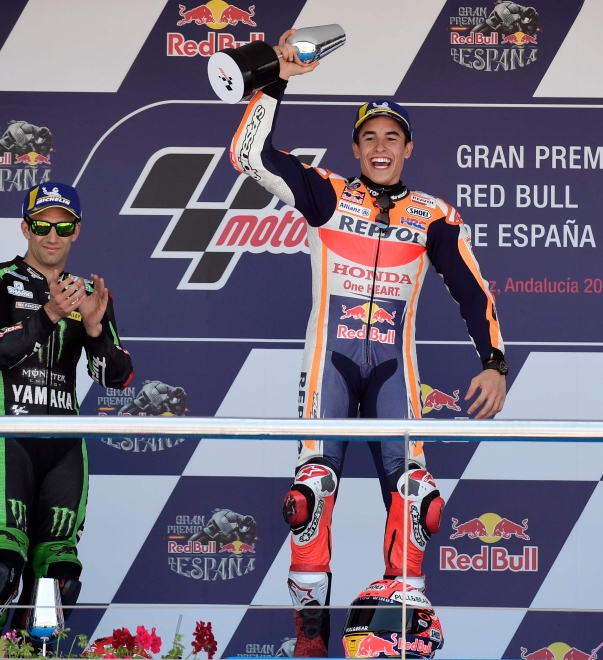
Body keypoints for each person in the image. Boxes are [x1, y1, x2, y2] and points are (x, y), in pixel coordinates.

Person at [228, 30, 508, 656]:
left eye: (392, 137)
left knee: (416, 501)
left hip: (392, 373)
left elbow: (472, 290)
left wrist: (493, 362)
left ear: (409, 147)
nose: (381, 148)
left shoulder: (434, 214)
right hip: (329, 364)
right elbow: (250, 158)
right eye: (370, 137)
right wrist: (275, 80)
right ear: (355, 147)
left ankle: (404, 637)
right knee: (308, 497)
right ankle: (309, 638)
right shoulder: (326, 193)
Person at [0, 182, 134, 657]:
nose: (51, 235)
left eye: (62, 226)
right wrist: (51, 314)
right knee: (1, 565)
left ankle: (28, 655)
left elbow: (115, 377)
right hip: (5, 439)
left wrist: (96, 328)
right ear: (25, 227)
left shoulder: (88, 293)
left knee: (60, 577)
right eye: (41, 224)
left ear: (77, 231)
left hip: (64, 450)